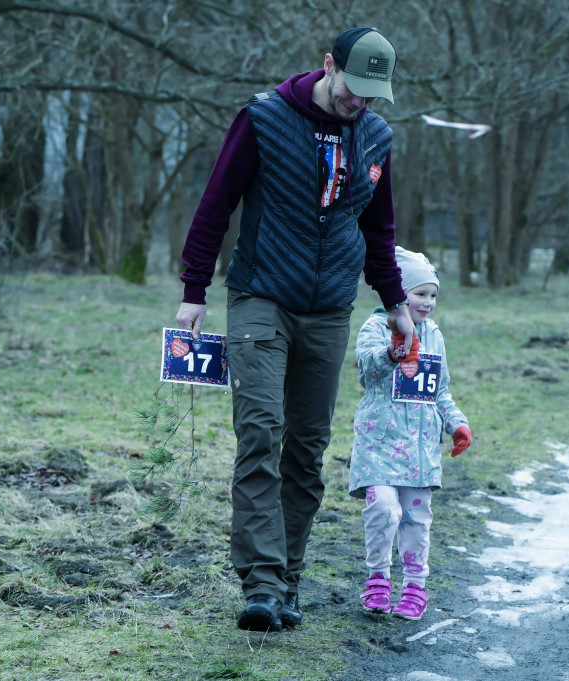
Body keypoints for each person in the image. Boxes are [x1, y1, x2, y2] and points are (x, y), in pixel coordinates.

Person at [175, 27, 414, 633]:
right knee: (260, 430)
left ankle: (289, 579)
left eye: (371, 94)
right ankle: (259, 582)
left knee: (306, 449)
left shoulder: (376, 139)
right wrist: (193, 291)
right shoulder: (264, 118)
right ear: (329, 65)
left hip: (330, 308)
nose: (359, 102)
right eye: (353, 88)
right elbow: (215, 203)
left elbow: (378, 231)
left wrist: (395, 303)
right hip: (260, 296)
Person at [349, 246, 472, 621]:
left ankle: (415, 586)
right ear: (398, 292)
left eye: (433, 295)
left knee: (417, 520)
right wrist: (392, 352)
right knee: (384, 509)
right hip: (379, 442)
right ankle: (378, 578)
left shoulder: (435, 336)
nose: (429, 302)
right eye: (420, 293)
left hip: (420, 452)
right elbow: (367, 369)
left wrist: (456, 423)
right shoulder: (375, 326)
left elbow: (440, 390)